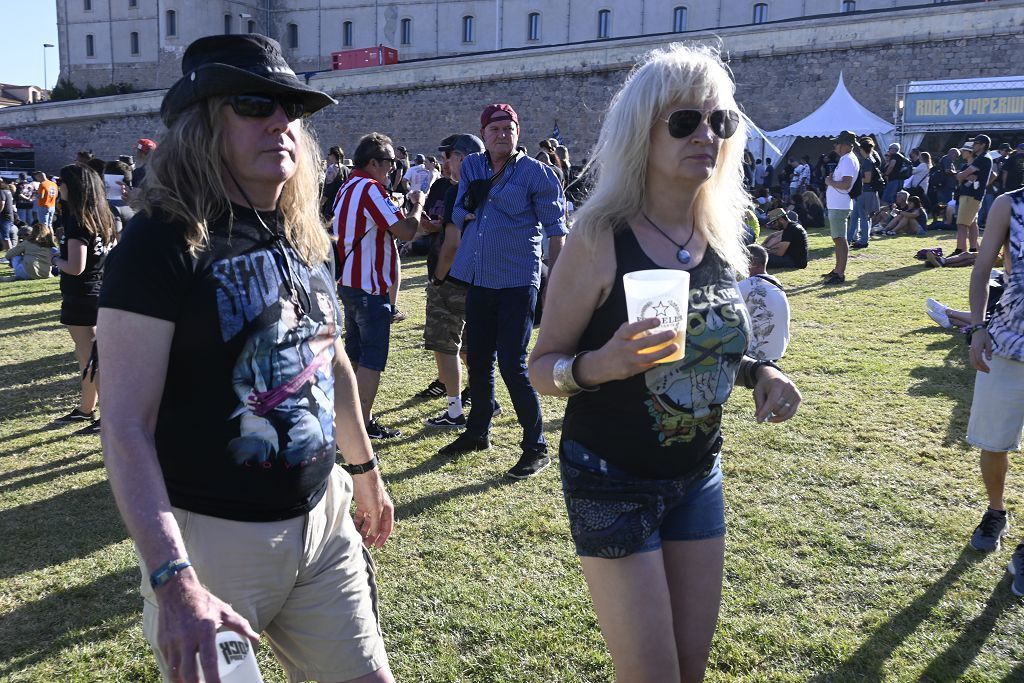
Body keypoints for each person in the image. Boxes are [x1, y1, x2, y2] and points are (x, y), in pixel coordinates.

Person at [95, 34, 396, 683]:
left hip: (324, 524)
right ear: (205, 123)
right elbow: (123, 424)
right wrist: (174, 581)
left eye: (291, 108)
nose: (281, 121)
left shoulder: (301, 230)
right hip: (214, 550)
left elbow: (331, 358)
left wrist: (364, 466)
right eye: (256, 103)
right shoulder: (160, 241)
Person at [527, 45, 801, 682]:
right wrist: (601, 365)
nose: (705, 134)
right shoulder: (599, 238)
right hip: (611, 477)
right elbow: (543, 365)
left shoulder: (720, 234)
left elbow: (709, 346)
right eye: (683, 122)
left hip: (698, 474)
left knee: (691, 671)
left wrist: (759, 372)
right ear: (640, 135)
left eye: (719, 122)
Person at [437, 102, 567, 480]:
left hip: (516, 278)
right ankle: (477, 432)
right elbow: (457, 207)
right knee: (477, 358)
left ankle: (536, 446)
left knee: (512, 363)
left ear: (518, 132)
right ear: (484, 132)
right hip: (479, 276)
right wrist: (467, 213)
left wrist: (554, 281)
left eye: (508, 129)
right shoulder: (474, 165)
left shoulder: (538, 174)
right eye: (494, 129)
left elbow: (556, 230)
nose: (501, 134)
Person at [333, 132, 424, 440]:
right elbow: (406, 231)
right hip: (370, 287)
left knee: (355, 353)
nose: (393, 169)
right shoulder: (371, 189)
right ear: (373, 162)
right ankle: (362, 424)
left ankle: (349, 418)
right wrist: (418, 204)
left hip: (349, 282)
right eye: (389, 162)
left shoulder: (347, 187)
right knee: (372, 358)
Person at [964, 184, 1024, 599]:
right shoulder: (1010, 204)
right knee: (993, 442)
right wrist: (979, 327)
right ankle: (995, 510)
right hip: (1008, 342)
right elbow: (983, 268)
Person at [423, 133, 486, 428]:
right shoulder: (489, 188)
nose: (444, 163)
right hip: (480, 278)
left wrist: (437, 279)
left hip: (452, 278)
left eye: (448, 156)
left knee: (445, 345)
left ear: (461, 158)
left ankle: (454, 410)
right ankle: (485, 398)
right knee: (469, 344)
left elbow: (452, 244)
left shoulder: (456, 192)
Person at [52, 163, 114, 433]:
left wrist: (56, 258)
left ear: (72, 187)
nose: (58, 187)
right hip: (100, 291)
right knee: (88, 355)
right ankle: (86, 409)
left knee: (89, 357)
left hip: (82, 295)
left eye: (61, 182)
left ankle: (105, 416)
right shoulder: (103, 216)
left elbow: (75, 266)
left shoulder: (78, 221)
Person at [738, 244, 790, 361]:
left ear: (751, 263)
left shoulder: (749, 285)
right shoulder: (775, 284)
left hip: (756, 355)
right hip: (778, 351)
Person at [822, 130, 860, 284]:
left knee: (840, 239)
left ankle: (839, 273)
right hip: (838, 204)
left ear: (845, 145)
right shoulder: (846, 159)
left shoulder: (847, 160)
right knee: (838, 238)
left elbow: (846, 184)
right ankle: (837, 270)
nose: (835, 146)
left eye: (837, 143)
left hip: (839, 205)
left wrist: (829, 182)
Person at [955, 135, 992, 256]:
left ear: (983, 145)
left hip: (971, 195)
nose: (973, 145)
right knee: (971, 224)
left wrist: (963, 176)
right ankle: (974, 250)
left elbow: (961, 176)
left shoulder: (983, 159)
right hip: (974, 195)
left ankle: (960, 251)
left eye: (976, 143)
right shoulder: (983, 158)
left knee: (962, 224)